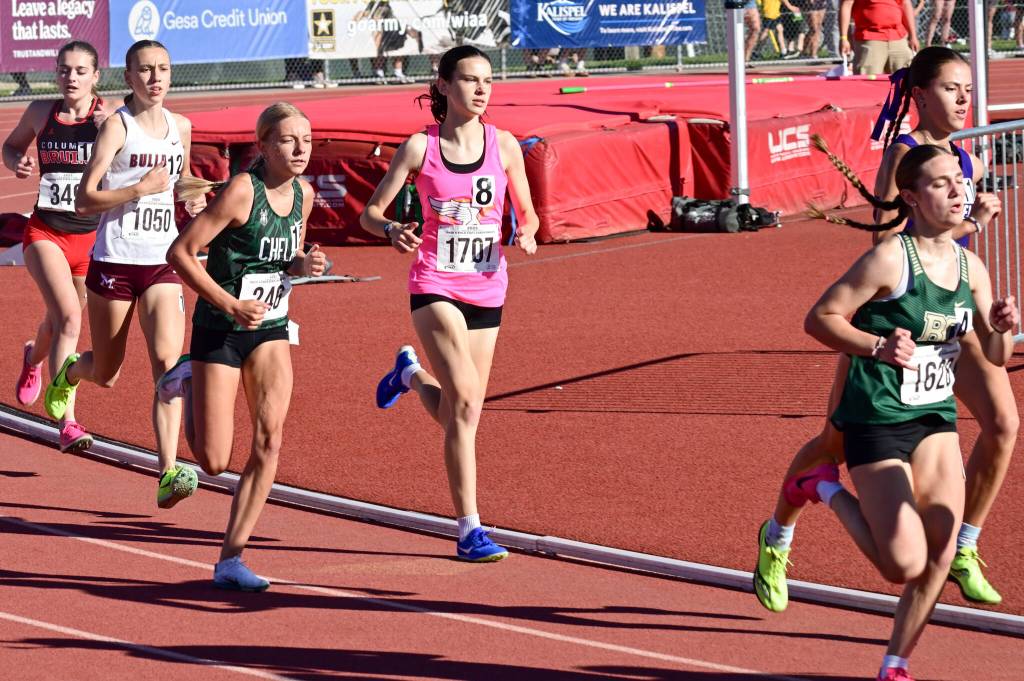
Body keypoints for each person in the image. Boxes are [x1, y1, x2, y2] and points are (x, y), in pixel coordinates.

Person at [754, 46, 1014, 613]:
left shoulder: (961, 156)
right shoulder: (906, 152)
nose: (965, 98)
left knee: (1002, 422)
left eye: (968, 88)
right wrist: (976, 219)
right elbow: (882, 241)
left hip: (951, 316)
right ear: (920, 97)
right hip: (897, 327)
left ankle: (964, 546)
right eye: (952, 88)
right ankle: (778, 533)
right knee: (833, 445)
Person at [801, 141, 1016, 680]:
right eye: (942, 184)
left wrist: (1002, 327)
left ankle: (895, 665)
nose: (958, 192)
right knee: (902, 565)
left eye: (960, 182)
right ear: (913, 197)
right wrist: (875, 347)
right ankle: (820, 485)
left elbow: (992, 355)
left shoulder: (971, 265)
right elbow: (820, 317)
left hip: (934, 417)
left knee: (942, 547)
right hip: (876, 415)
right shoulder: (890, 258)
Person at [360, 45, 539, 562]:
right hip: (435, 283)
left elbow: (528, 213)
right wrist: (392, 228)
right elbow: (372, 213)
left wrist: (525, 232)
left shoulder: (504, 145)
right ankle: (468, 529)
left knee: (464, 413)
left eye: (487, 81)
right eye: (469, 80)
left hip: (488, 287)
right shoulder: (421, 148)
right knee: (463, 398)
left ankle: (410, 376)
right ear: (442, 85)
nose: (481, 90)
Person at [167, 102, 326, 591]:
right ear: (264, 146)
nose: (300, 149)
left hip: (271, 326)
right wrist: (228, 302)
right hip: (221, 325)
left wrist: (303, 265)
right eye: (287, 140)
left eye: (307, 140)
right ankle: (185, 375)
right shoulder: (241, 192)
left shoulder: (304, 193)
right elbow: (181, 254)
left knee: (270, 439)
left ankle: (231, 558)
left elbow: (287, 256)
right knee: (214, 461)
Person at [44, 39, 204, 509]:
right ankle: (72, 370)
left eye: (163, 69)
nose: (156, 78)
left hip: (162, 262)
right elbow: (85, 198)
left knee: (167, 367)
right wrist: (137, 189)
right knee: (108, 372)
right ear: (128, 78)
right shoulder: (118, 127)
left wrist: (193, 198)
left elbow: (185, 180)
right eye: (145, 71)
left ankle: (168, 470)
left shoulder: (182, 126)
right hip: (115, 261)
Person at [5, 41, 110, 452]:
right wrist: (17, 163)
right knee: (69, 317)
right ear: (56, 73)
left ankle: (33, 357)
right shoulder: (40, 112)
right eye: (65, 70)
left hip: (92, 239)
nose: (72, 78)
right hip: (45, 232)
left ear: (95, 76)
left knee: (56, 321)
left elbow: (135, 163)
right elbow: (11, 146)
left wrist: (110, 130)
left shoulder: (111, 114)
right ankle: (67, 423)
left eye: (81, 71)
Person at [839, 0, 919, 74]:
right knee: (867, 83)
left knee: (904, 81)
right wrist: (844, 38)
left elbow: (905, 4)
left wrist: (913, 35)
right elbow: (846, 5)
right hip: (870, 38)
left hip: (898, 38)